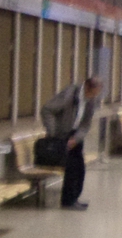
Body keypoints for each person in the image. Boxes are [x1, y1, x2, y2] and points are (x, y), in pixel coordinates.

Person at [41, 77, 104, 211]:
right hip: (61, 135)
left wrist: (76, 138)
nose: (94, 97)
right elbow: (47, 109)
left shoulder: (91, 101)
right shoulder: (69, 95)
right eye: (93, 93)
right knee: (71, 168)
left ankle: (74, 197)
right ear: (87, 88)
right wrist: (54, 132)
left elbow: (86, 124)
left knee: (79, 168)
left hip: (75, 135)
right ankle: (68, 201)